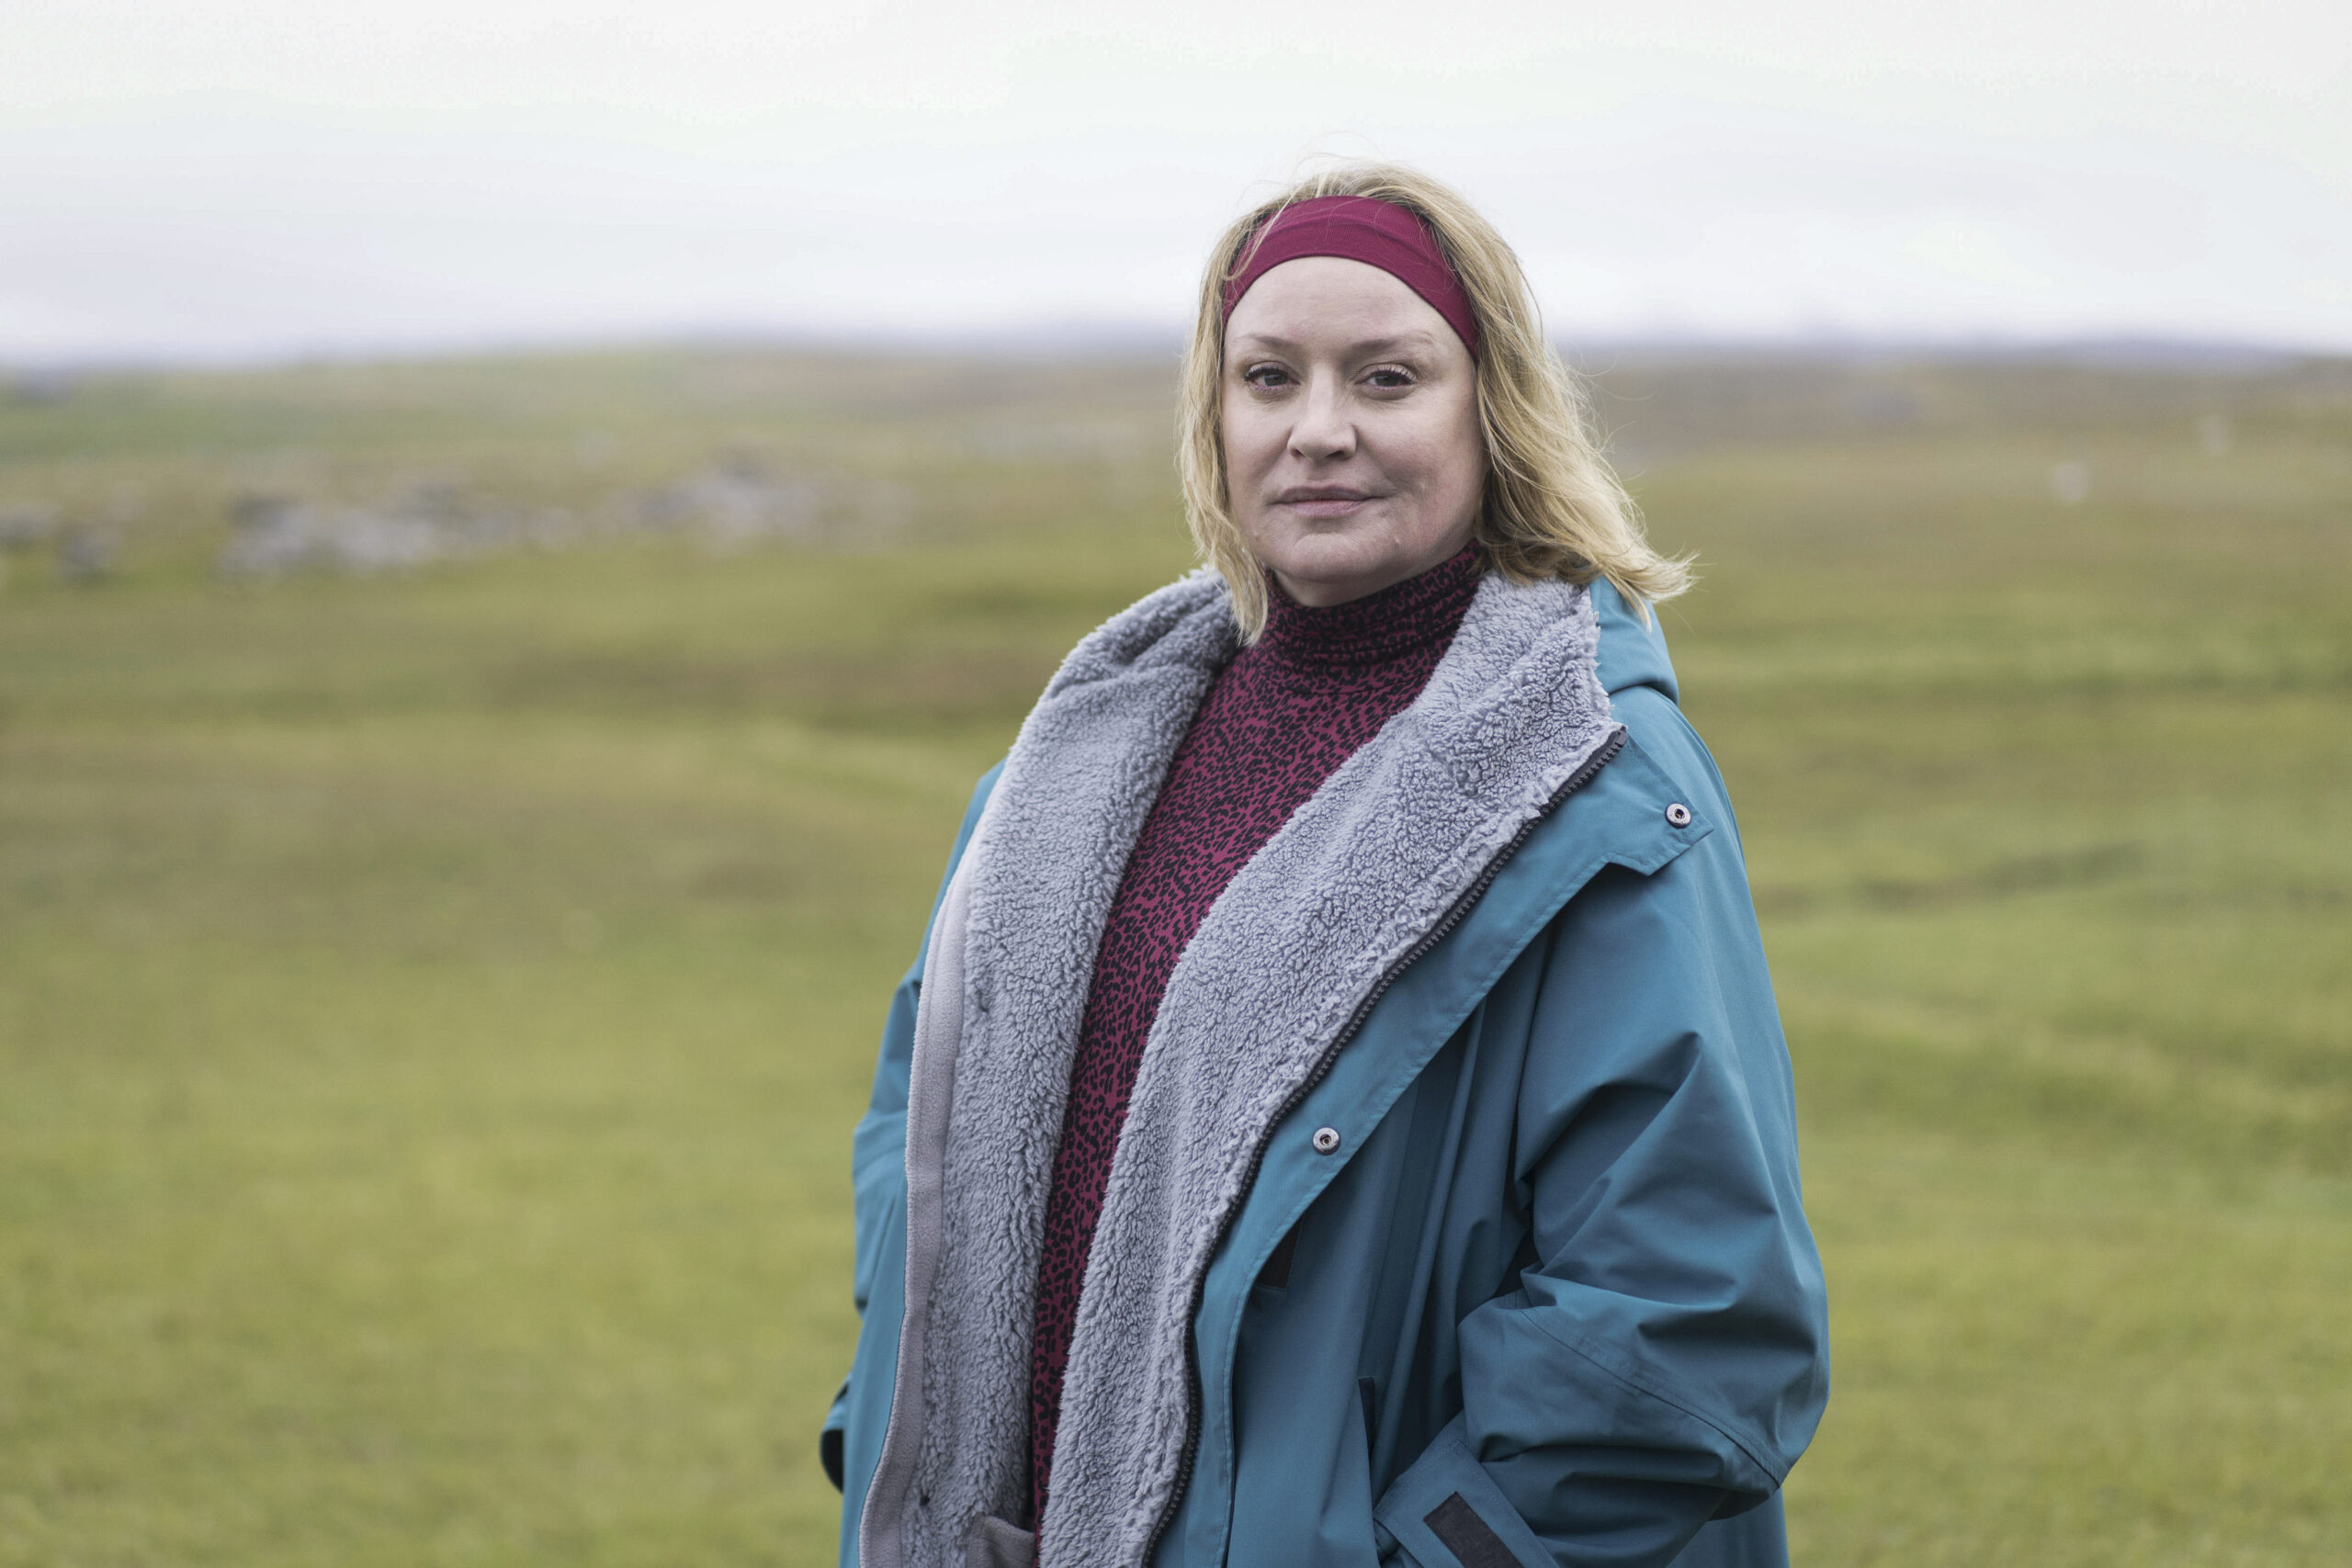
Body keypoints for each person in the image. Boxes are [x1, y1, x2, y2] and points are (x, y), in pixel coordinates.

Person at [822, 163, 1828, 1568]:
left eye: (1389, 378)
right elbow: (921, 1124)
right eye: (1270, 378)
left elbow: (1686, 1323)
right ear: (1215, 415)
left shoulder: (1587, 790)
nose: (1321, 431)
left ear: (1492, 412)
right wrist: (888, 1413)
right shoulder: (1080, 754)